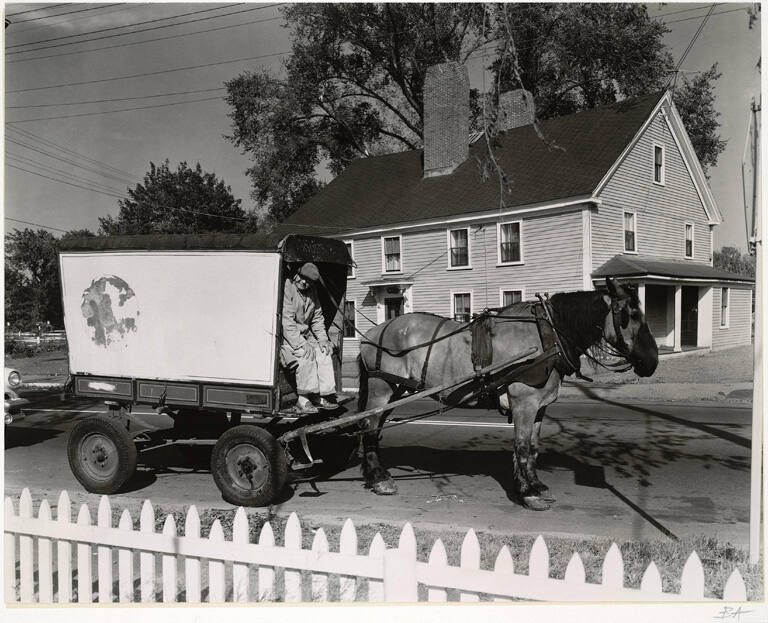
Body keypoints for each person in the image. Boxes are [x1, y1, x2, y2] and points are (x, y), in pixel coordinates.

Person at [280, 262, 337, 414]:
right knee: (306, 355)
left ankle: (321, 395)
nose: (304, 282)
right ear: (297, 274)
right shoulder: (288, 287)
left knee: (324, 352)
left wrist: (323, 339)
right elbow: (287, 321)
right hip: (288, 337)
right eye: (303, 278)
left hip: (306, 334)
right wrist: (300, 343)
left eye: (309, 281)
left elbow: (317, 318)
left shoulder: (312, 291)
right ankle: (303, 399)